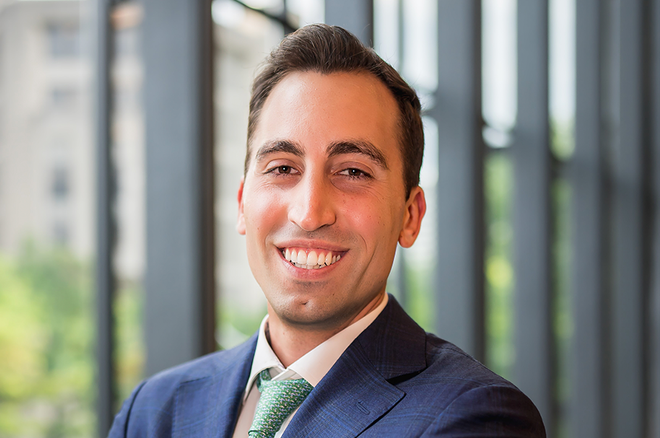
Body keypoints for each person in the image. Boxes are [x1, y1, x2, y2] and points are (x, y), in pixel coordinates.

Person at [109, 24, 545, 438]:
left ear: (409, 216)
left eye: (353, 171)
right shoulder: (155, 410)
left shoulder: (476, 416)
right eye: (282, 168)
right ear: (242, 203)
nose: (309, 212)